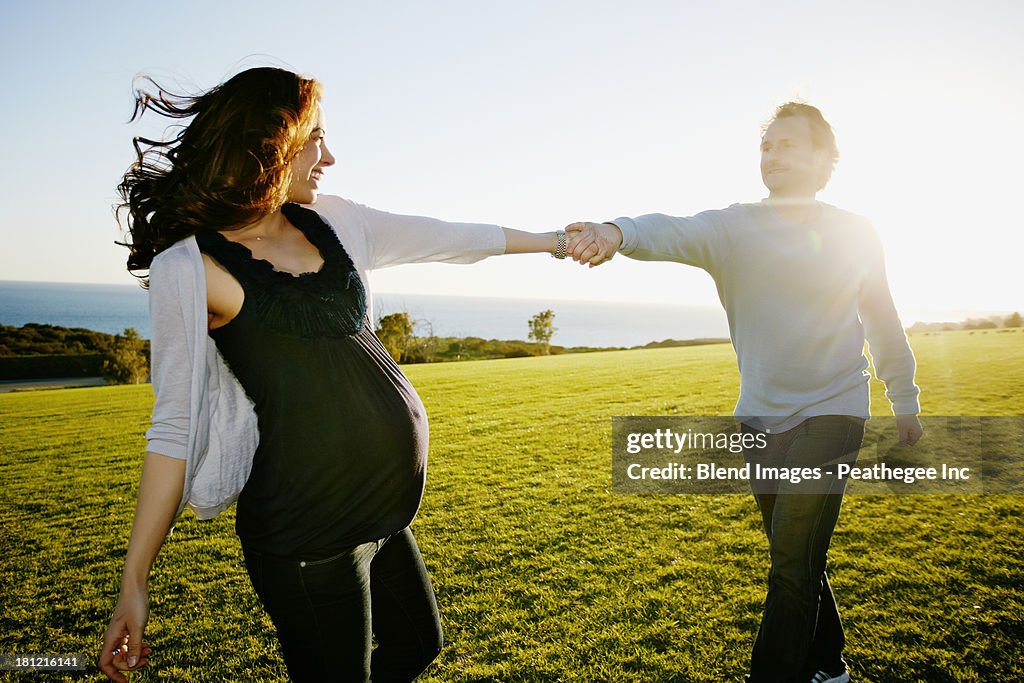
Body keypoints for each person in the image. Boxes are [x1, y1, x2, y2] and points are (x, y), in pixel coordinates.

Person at [99, 66, 569, 683]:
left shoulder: (336, 221)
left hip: (382, 519)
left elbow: (448, 238)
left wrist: (555, 241)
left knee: (419, 644)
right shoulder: (189, 268)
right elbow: (173, 429)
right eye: (315, 139)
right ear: (270, 145)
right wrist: (135, 582)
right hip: (307, 536)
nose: (330, 157)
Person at [564, 102, 924, 683]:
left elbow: (881, 318)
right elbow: (672, 229)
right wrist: (617, 231)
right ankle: (829, 668)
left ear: (823, 158)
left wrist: (903, 397)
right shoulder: (734, 227)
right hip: (759, 422)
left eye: (787, 144)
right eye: (767, 146)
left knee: (789, 568)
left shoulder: (855, 231)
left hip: (833, 412)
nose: (773, 155)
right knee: (798, 560)